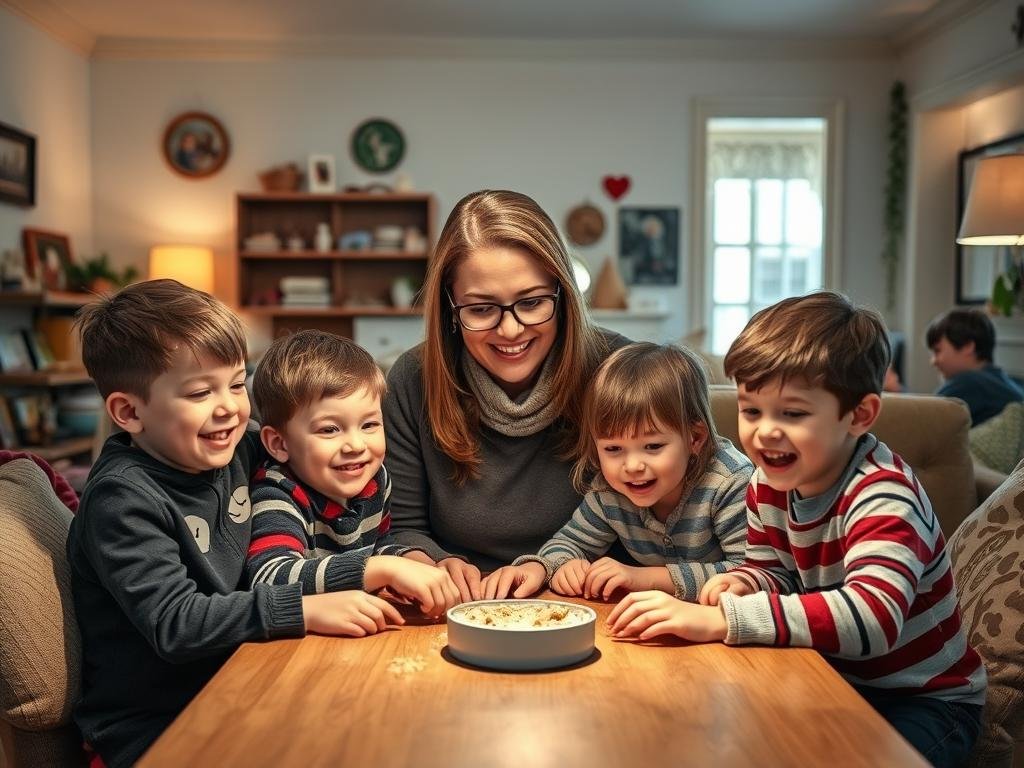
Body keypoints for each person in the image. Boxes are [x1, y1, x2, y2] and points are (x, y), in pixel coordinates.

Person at [607, 292, 986, 767]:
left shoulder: (883, 497)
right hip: (830, 675)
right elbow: (774, 572)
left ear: (860, 414)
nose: (765, 432)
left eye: (793, 413)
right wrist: (743, 582)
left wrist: (725, 618)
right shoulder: (768, 482)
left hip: (922, 699)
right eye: (752, 411)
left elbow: (873, 618)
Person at [67, 280, 394, 768]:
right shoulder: (122, 500)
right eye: (200, 392)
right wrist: (307, 609)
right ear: (129, 412)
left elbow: (309, 440)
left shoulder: (237, 450)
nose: (230, 408)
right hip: (155, 724)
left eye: (237, 384)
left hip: (246, 680)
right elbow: (177, 624)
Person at [383, 189, 629, 600]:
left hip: (594, 601)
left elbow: (674, 519)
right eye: (481, 309)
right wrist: (430, 561)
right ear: (450, 307)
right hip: (466, 602)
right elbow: (403, 527)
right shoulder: (414, 378)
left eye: (531, 302)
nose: (511, 331)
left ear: (562, 294)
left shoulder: (618, 369)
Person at [480, 342, 752, 601]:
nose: (632, 466)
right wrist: (557, 566)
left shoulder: (730, 482)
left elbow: (751, 574)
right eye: (613, 449)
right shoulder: (609, 490)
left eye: (653, 446)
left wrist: (643, 578)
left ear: (695, 438)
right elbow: (569, 542)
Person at [245, 330, 460, 622]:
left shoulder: (375, 481)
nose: (356, 446)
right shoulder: (277, 493)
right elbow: (269, 577)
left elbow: (378, 544)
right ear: (279, 444)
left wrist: (410, 558)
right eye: (329, 430)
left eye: (369, 424)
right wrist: (379, 569)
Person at [925, 307, 1022, 426]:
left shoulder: (968, 383)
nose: (933, 361)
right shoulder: (1007, 383)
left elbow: (924, 424)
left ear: (968, 346)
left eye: (937, 351)